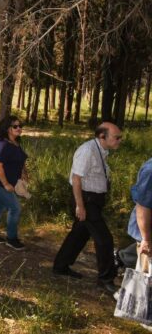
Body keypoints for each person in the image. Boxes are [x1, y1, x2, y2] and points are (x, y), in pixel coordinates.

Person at [52, 123, 122, 293]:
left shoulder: (101, 151)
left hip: (94, 200)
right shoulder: (87, 151)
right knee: (104, 239)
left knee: (79, 234)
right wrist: (80, 206)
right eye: (116, 137)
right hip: (86, 200)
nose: (120, 140)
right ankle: (106, 279)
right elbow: (76, 179)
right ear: (102, 137)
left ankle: (60, 266)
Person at [0, 116, 28, 250]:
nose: (19, 128)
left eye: (20, 126)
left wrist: (24, 174)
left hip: (6, 183)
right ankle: (11, 238)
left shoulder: (16, 143)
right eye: (15, 126)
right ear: (7, 129)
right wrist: (6, 184)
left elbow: (20, 160)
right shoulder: (3, 145)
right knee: (15, 208)